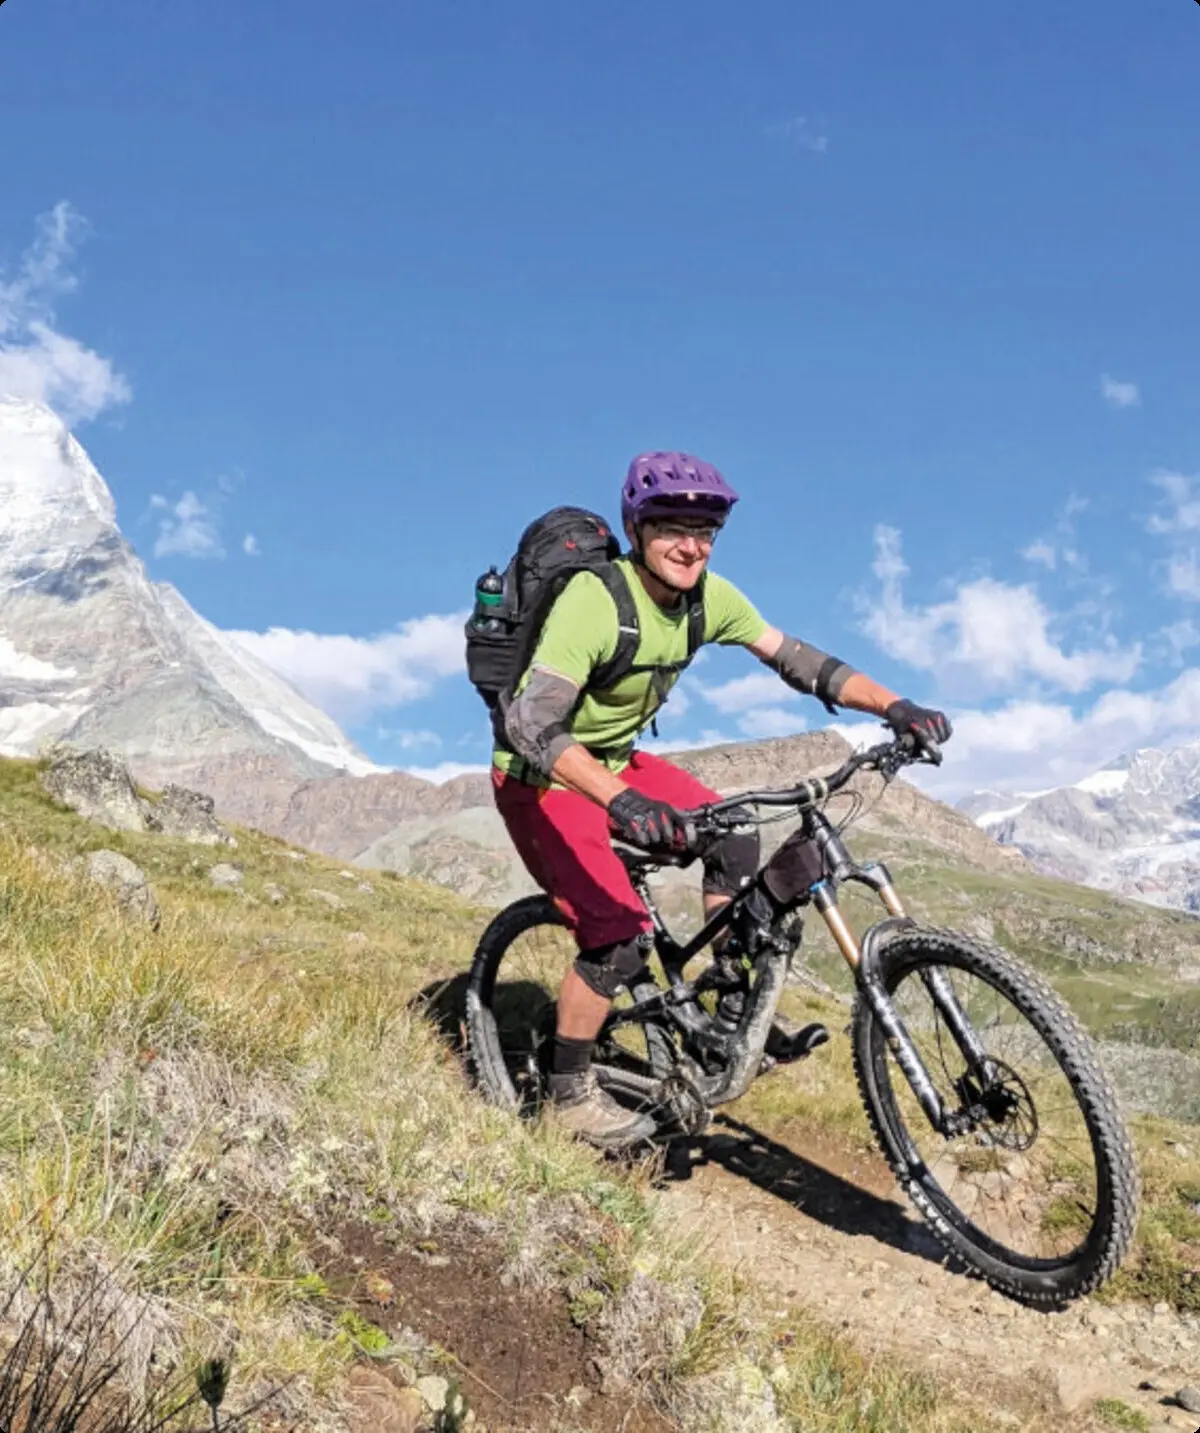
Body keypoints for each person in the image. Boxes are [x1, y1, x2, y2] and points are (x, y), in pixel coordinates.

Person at [491, 452, 951, 1149]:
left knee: (735, 835)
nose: (691, 545)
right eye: (672, 527)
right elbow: (531, 724)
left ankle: (727, 1014)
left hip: (615, 762)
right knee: (616, 938)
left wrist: (895, 706)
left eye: (706, 530)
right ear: (636, 528)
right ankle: (567, 1092)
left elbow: (798, 659)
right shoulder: (597, 601)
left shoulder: (710, 597)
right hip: (543, 778)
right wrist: (621, 802)